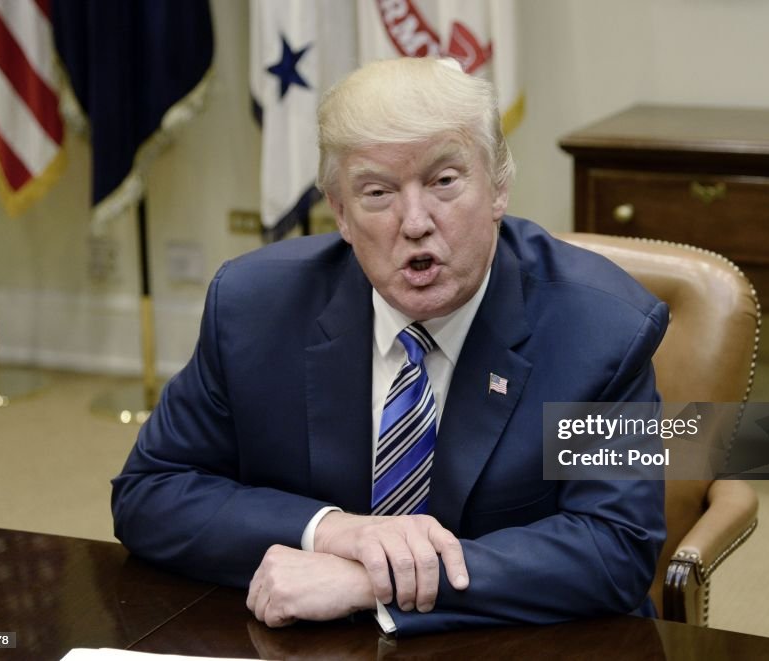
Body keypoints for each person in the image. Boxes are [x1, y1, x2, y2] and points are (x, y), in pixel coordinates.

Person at [112, 57, 668, 636]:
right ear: (341, 212)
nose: (415, 222)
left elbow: (615, 547)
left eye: (444, 181)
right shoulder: (254, 308)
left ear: (499, 186)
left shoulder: (602, 331)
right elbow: (151, 492)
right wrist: (332, 531)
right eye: (377, 192)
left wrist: (372, 582)